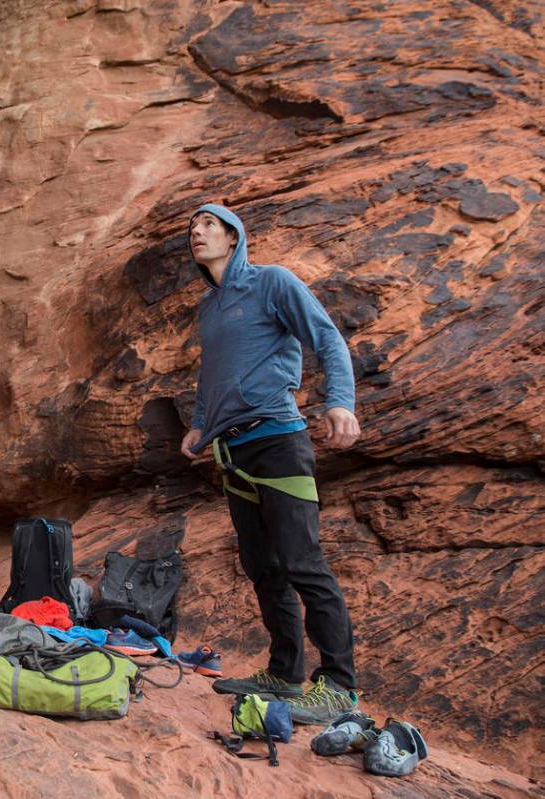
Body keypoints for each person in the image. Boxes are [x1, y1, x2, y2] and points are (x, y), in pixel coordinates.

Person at [180, 203, 362, 725]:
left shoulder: (273, 282)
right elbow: (212, 374)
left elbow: (326, 337)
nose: (197, 232)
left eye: (209, 224)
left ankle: (339, 687)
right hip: (231, 450)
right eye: (193, 227)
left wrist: (340, 400)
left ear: (234, 237)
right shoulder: (209, 308)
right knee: (263, 568)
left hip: (278, 439)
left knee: (303, 563)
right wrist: (199, 423)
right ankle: (285, 673)